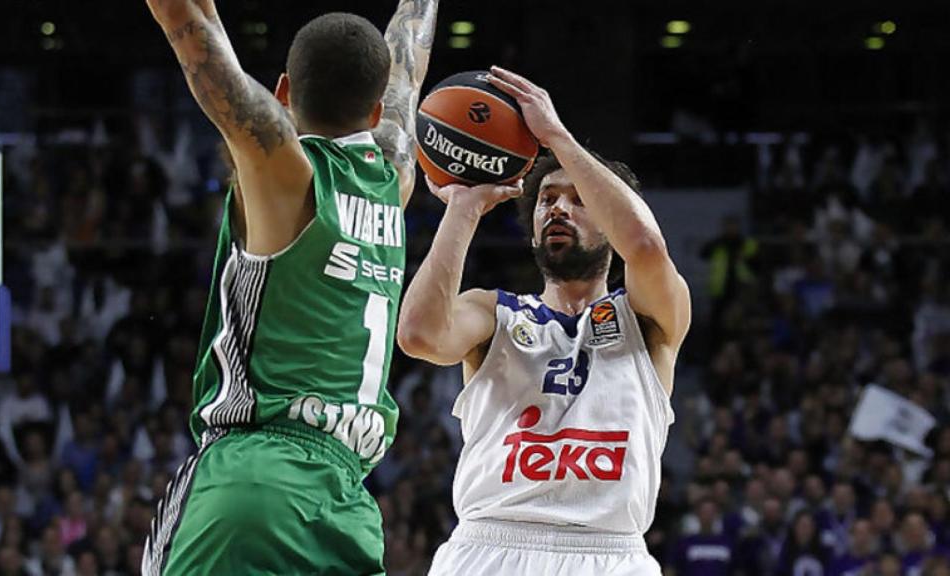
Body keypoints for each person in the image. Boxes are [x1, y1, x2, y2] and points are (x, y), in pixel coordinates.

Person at [140, 0, 438, 574]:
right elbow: (410, 62)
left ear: (281, 91)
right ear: (377, 110)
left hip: (251, 481)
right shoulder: (393, 176)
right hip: (346, 507)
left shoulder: (284, 170)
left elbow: (188, 28)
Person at [398, 66, 691, 575]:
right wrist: (464, 209)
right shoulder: (492, 313)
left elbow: (644, 246)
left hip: (608, 551)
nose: (558, 208)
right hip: (491, 545)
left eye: (579, 199)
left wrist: (556, 137)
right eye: (548, 200)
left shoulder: (649, 319)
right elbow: (419, 335)